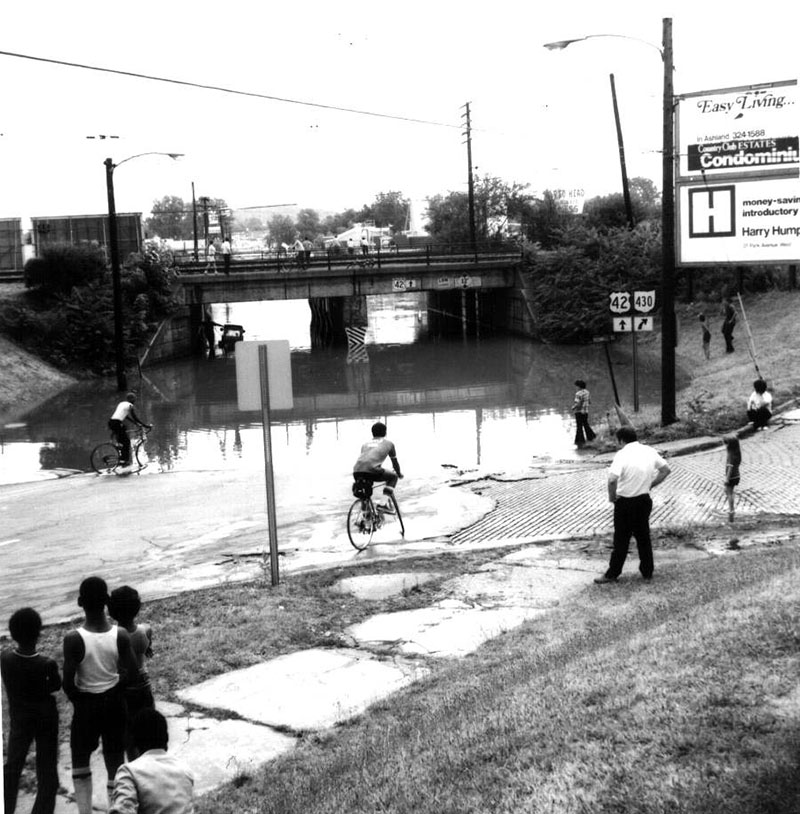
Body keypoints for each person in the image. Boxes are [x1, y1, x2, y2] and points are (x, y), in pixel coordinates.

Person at [63, 576, 138, 814]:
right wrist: (115, 687)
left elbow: (68, 683)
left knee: (80, 759)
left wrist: (82, 700)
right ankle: (116, 808)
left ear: (79, 602)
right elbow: (132, 674)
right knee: (115, 760)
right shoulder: (121, 635)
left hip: (87, 706)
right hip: (115, 703)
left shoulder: (73, 639)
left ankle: (84, 811)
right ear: (107, 601)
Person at [2, 607, 61, 814]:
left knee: (12, 767)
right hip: (45, 718)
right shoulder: (47, 663)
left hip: (19, 718)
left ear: (12, 634)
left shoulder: (5, 659)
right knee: (47, 770)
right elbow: (55, 686)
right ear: (39, 632)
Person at [594, 426, 671, 584]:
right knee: (643, 537)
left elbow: (612, 479)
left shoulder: (622, 454)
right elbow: (665, 470)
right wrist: (651, 484)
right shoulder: (649, 450)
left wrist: (611, 497)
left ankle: (613, 573)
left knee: (621, 539)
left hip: (625, 502)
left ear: (621, 440)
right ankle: (647, 571)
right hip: (643, 500)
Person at [109, 708, 194, 814]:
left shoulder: (129, 771)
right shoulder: (185, 770)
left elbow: (123, 810)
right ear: (166, 738)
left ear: (134, 741)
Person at [108, 586, 155, 760]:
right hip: (144, 683)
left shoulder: (114, 636)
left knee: (128, 732)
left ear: (112, 611)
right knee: (147, 725)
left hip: (125, 687)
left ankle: (134, 764)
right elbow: (149, 631)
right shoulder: (143, 630)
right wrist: (148, 647)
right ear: (137, 608)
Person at [352, 421, 403, 512]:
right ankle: (383, 504)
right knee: (393, 477)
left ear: (372, 433)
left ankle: (365, 517)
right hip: (371, 470)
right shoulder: (389, 444)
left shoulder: (365, 444)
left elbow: (367, 459)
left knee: (365, 494)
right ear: (385, 432)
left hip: (357, 470)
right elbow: (395, 462)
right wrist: (399, 473)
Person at [108, 393, 151, 467]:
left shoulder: (122, 404)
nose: (135, 401)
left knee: (123, 439)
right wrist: (145, 425)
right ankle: (123, 460)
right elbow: (135, 417)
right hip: (117, 423)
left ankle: (122, 456)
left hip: (112, 422)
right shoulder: (130, 405)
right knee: (127, 442)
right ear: (132, 399)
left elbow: (126, 416)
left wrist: (136, 424)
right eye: (134, 399)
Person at [723, 433, 741, 524]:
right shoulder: (737, 453)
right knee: (730, 492)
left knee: (729, 493)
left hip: (731, 476)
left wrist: (727, 478)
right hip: (737, 475)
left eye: (726, 443)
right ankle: (732, 508)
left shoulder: (730, 454)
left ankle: (731, 509)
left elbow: (730, 467)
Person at [572, 379, 596, 447]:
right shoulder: (587, 392)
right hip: (585, 411)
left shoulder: (578, 393)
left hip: (579, 412)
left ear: (579, 386)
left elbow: (578, 404)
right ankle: (591, 437)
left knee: (579, 427)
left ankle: (580, 441)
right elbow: (589, 402)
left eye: (576, 386)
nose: (576, 388)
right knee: (586, 425)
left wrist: (573, 407)